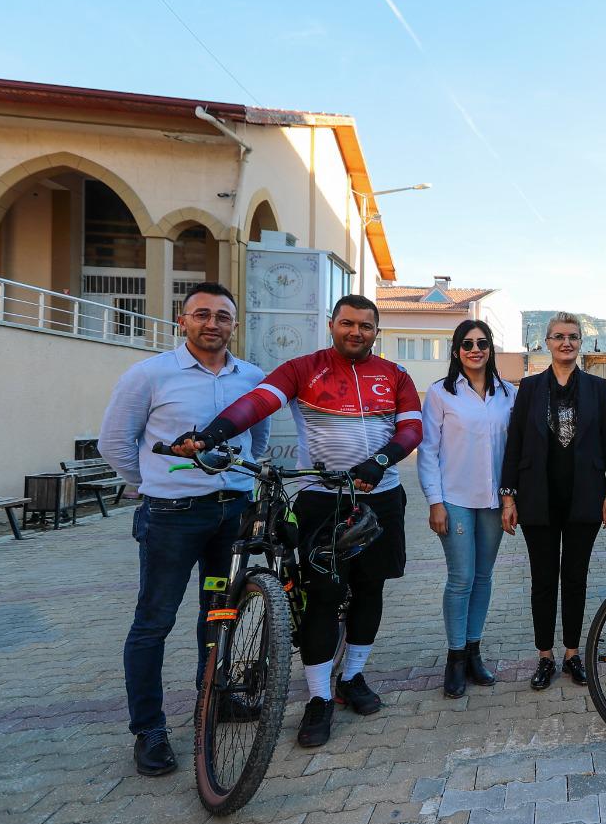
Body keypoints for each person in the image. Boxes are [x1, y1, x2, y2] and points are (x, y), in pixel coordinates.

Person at [170, 293, 422, 748]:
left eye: (366, 326)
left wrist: (381, 461)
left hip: (380, 498)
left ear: (376, 331)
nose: (356, 332)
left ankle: (354, 675)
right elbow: (257, 404)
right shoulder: (304, 369)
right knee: (323, 597)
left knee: (370, 590)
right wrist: (211, 436)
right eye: (348, 323)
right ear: (332, 324)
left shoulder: (395, 375)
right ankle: (319, 697)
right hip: (321, 500)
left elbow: (411, 429)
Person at [100, 282, 271, 777]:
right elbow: (115, 442)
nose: (212, 323)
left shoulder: (252, 378)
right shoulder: (150, 375)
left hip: (231, 516)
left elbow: (257, 440)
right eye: (202, 314)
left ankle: (213, 702)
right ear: (183, 320)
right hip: (171, 517)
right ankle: (149, 729)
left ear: (234, 324)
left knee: (219, 615)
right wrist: (152, 483)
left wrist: (239, 479)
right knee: (154, 622)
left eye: (222, 316)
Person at [501, 313, 606, 691]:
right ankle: (545, 656)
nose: (566, 342)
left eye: (572, 336)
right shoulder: (530, 388)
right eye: (559, 337)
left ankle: (572, 653)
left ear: (581, 341)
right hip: (538, 500)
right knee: (542, 581)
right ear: (546, 343)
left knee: (575, 578)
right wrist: (508, 497)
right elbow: (515, 443)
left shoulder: (596, 388)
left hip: (584, 499)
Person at [419, 319, 517, 699]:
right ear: (456, 351)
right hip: (455, 500)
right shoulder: (441, 393)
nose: (475, 349)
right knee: (461, 578)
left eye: (482, 343)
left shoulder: (508, 393)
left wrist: (512, 499)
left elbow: (515, 450)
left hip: (494, 502)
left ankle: (474, 650)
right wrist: (435, 502)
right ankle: (455, 657)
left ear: (490, 348)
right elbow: (427, 451)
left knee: (483, 577)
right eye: (467, 343)